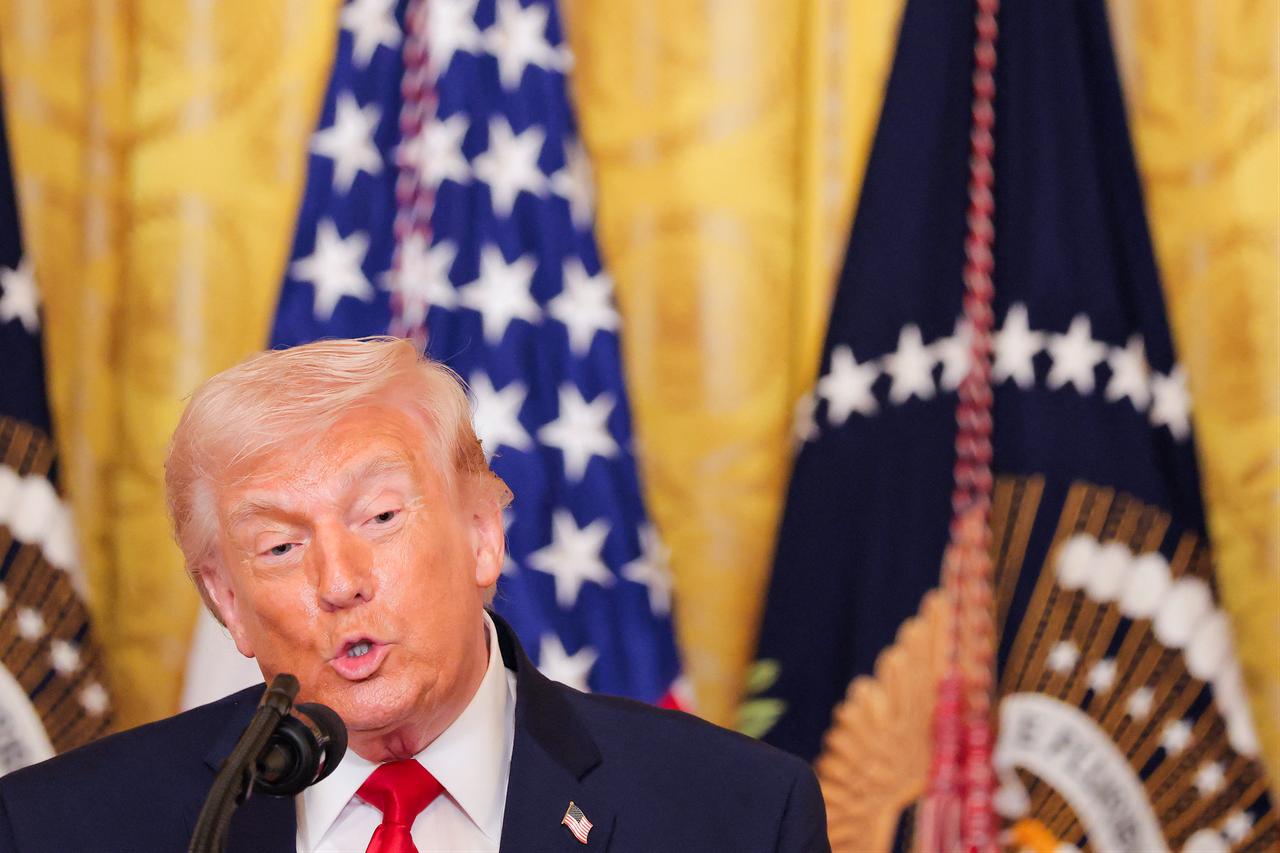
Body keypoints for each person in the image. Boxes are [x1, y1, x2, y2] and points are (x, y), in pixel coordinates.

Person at [0, 338, 829, 852]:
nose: (340, 581)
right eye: (281, 547)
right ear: (226, 600)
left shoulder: (736, 815)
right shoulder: (63, 829)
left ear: (481, 534)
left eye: (381, 516)